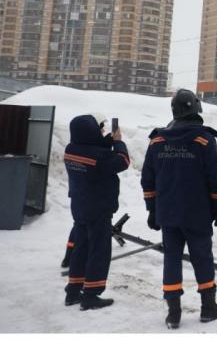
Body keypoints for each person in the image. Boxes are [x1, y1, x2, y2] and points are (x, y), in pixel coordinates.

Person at [141, 89, 217, 330]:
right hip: (197, 213)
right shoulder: (204, 140)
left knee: (171, 258)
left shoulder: (157, 141)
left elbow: (148, 179)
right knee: (202, 258)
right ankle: (208, 308)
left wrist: (152, 209)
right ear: (195, 108)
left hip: (168, 213)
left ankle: (173, 313)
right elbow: (215, 178)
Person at [64, 114, 130, 310]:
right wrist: (118, 142)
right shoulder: (97, 156)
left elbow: (93, 149)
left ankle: (73, 291)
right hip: (98, 208)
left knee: (81, 248)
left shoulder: (71, 149)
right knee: (99, 251)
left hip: (79, 206)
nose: (101, 131)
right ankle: (91, 295)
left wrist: (108, 139)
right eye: (98, 129)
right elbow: (123, 161)